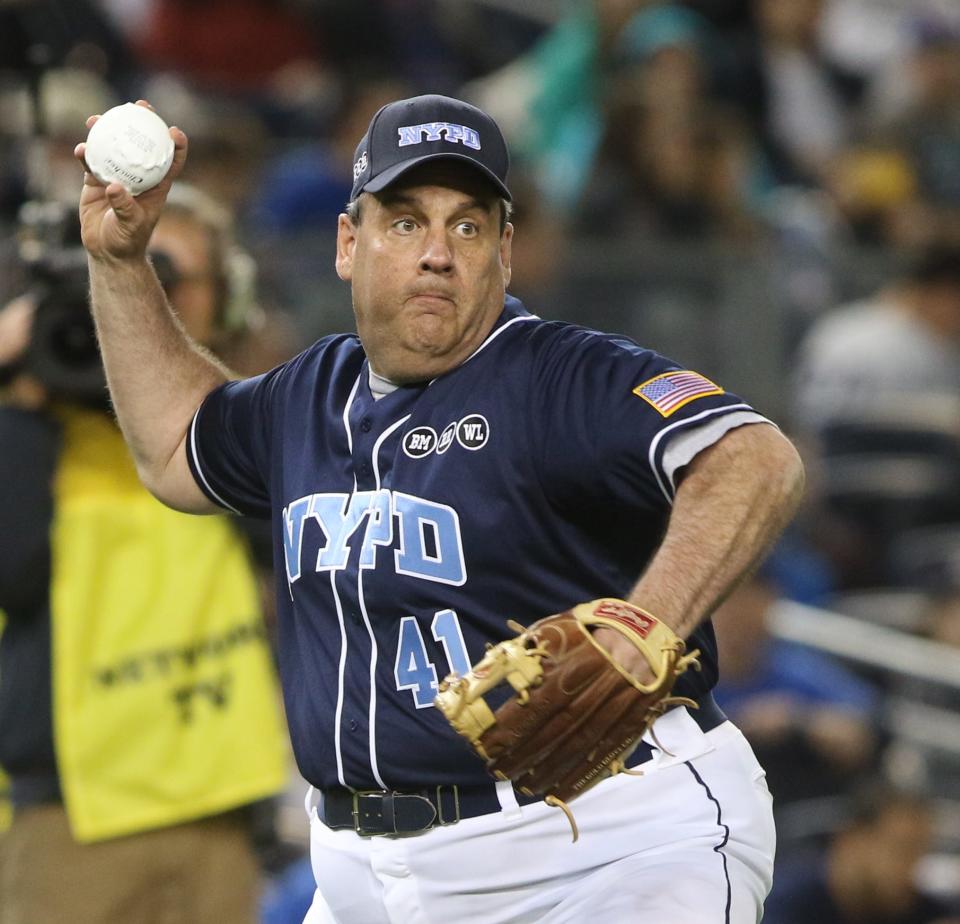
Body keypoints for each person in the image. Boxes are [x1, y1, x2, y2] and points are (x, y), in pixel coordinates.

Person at [75, 94, 805, 923]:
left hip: (606, 846)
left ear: (504, 251)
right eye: (405, 221)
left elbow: (755, 459)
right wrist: (120, 265)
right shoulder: (308, 396)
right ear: (350, 243)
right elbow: (175, 449)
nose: (436, 254)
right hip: (365, 875)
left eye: (467, 226)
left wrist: (648, 622)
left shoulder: (558, 377)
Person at [0, 184, 289, 924]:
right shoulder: (31, 429)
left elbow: (289, 527)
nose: (143, 295)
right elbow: (14, 573)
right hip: (72, 820)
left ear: (225, 301)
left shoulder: (240, 428)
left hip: (222, 815)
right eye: (122, 274)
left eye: (166, 275)